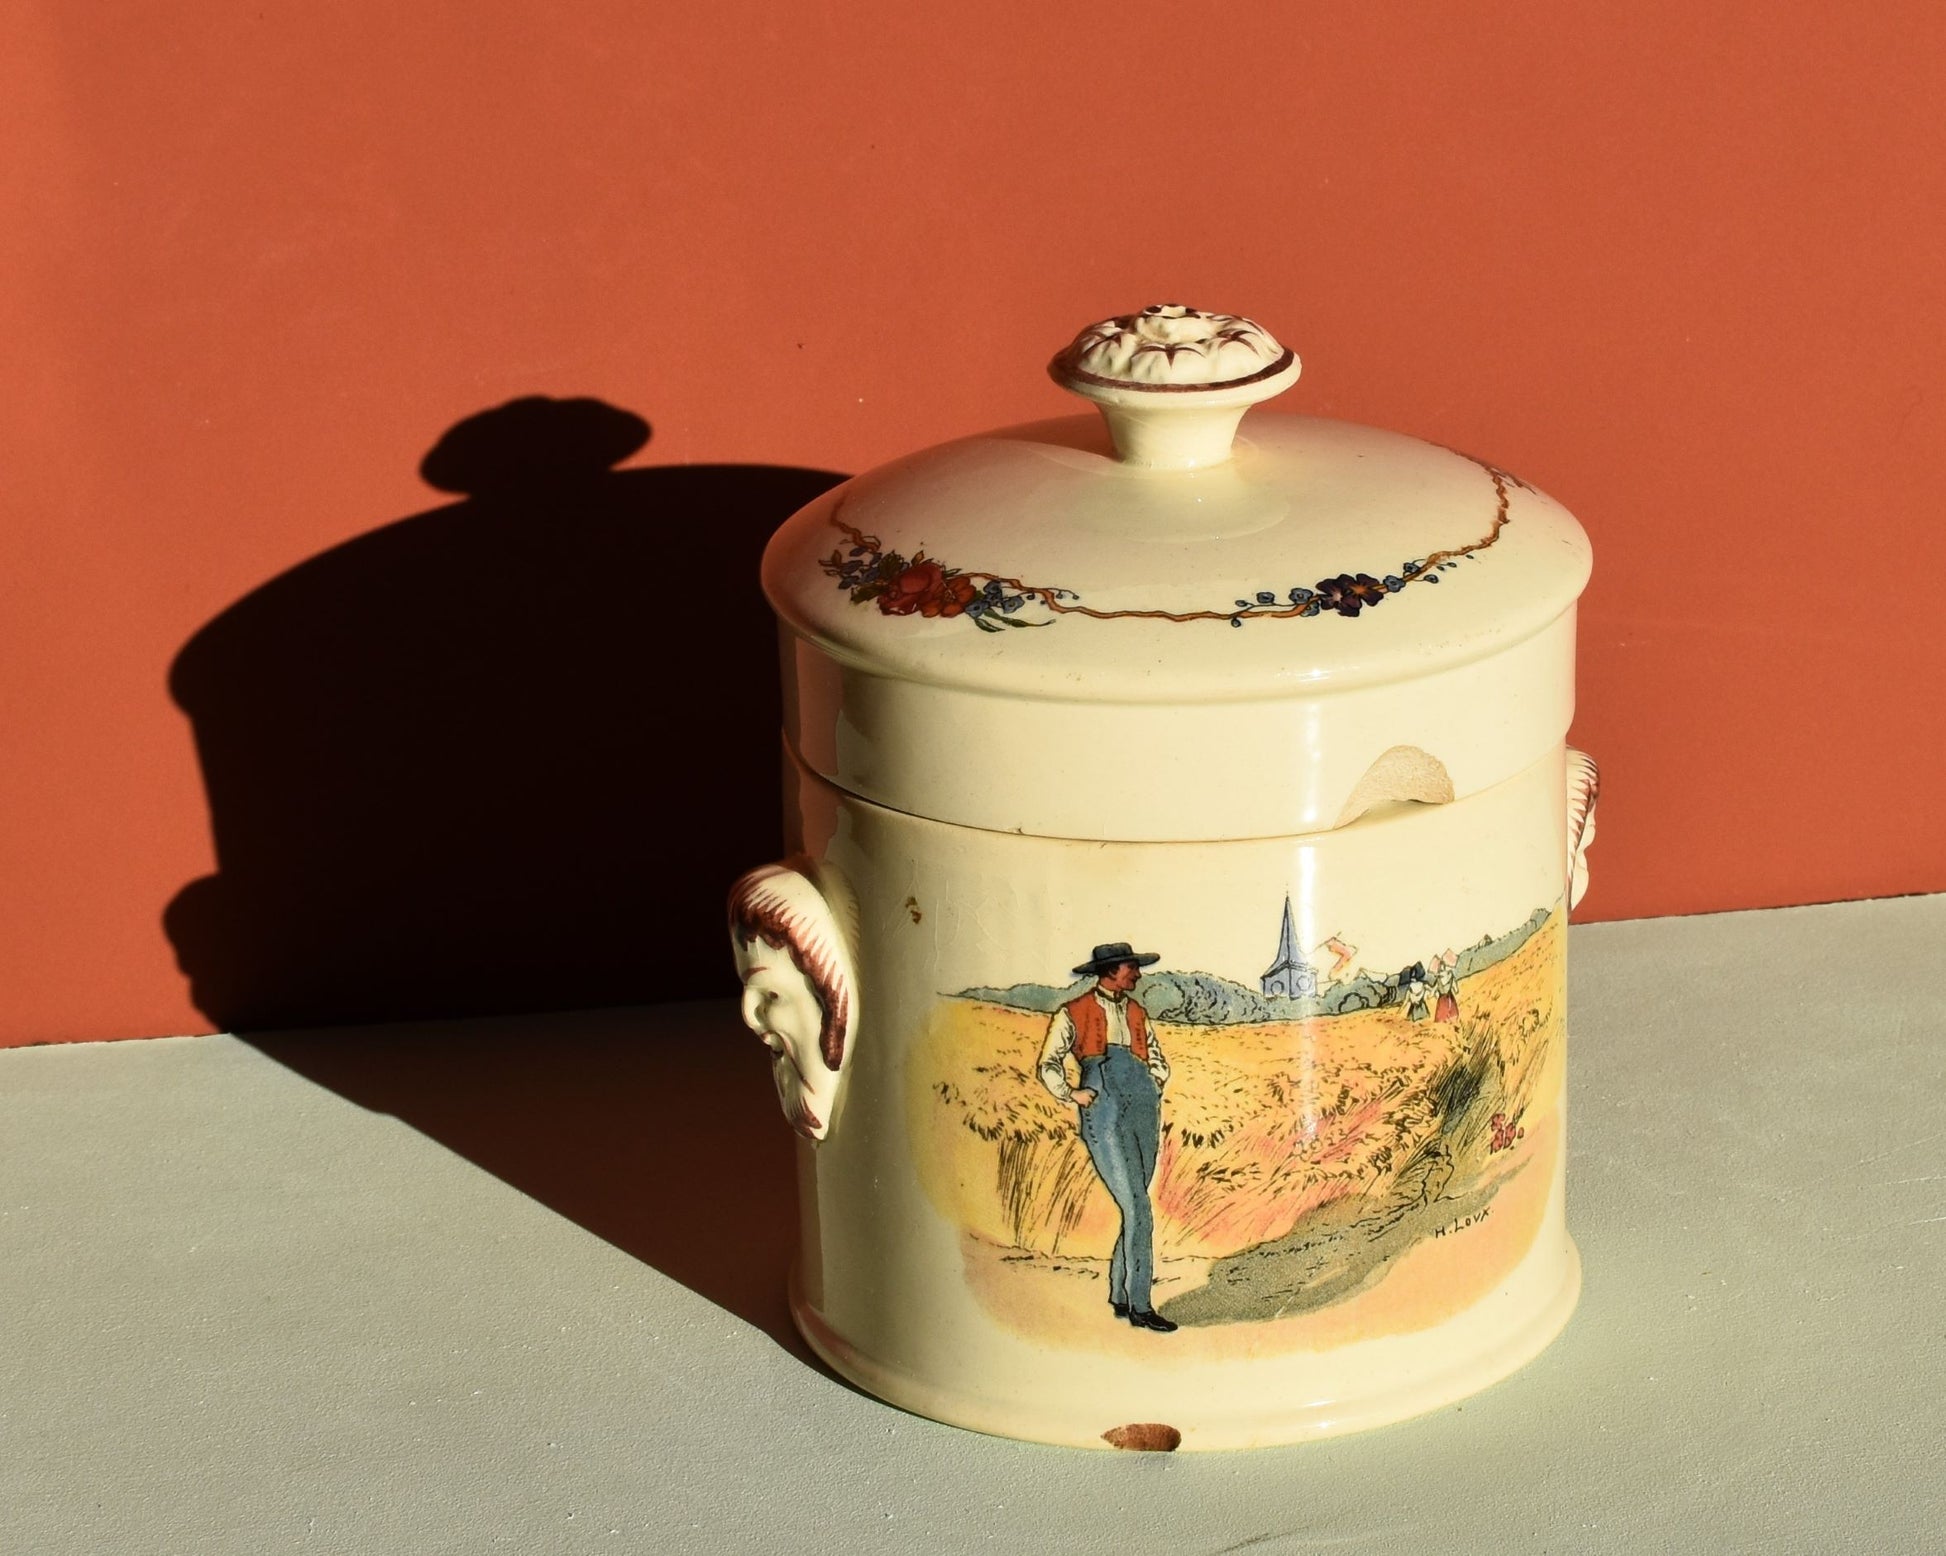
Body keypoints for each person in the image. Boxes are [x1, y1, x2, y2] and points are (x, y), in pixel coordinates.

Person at [1037, 942, 1176, 1333]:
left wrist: (1152, 1083)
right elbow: (1048, 1062)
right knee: (1138, 1206)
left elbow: (1157, 1058)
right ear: (1113, 970)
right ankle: (1141, 1305)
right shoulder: (1073, 1012)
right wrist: (1073, 1094)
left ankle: (1118, 1291)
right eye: (1132, 968)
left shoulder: (1136, 1012)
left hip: (1142, 1108)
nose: (1137, 975)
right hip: (1105, 1112)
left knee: (1137, 1204)